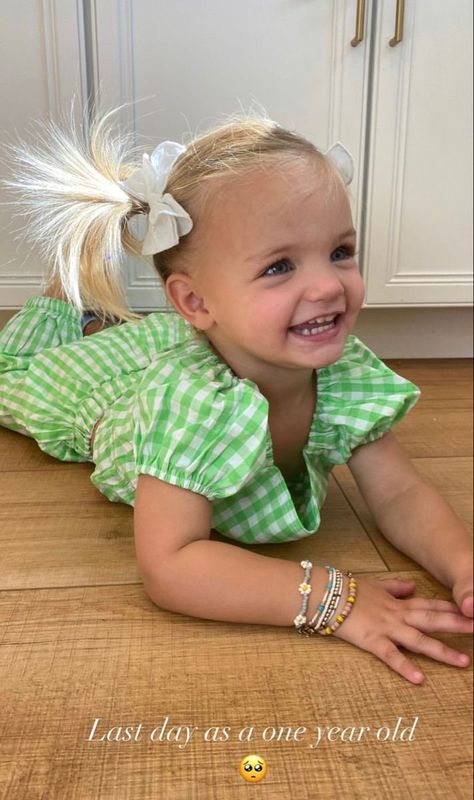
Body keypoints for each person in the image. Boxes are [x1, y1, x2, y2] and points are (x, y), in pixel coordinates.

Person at [1, 108, 472, 685]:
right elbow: (172, 565)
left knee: (143, 338)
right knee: (15, 374)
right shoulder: (190, 402)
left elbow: (399, 493)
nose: (328, 285)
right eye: (280, 266)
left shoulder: (342, 370)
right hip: (103, 405)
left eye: (340, 252)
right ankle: (62, 295)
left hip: (197, 345)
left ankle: (102, 320)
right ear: (196, 302)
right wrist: (333, 598)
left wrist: (463, 564)